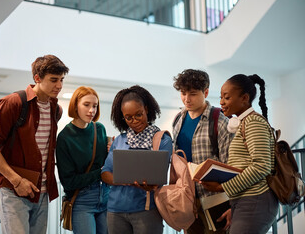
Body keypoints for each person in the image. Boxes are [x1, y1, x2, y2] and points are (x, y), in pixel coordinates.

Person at [0, 55, 69, 234]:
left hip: (42, 191)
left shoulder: (55, 109)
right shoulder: (13, 103)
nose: (59, 86)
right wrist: (16, 180)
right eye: (53, 80)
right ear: (37, 78)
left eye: (61, 80)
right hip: (13, 188)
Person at [202, 74, 278, 234]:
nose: (221, 102)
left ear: (244, 98)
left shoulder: (253, 122)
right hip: (246, 201)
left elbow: (261, 166)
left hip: (256, 200)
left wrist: (223, 187)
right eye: (221, 97)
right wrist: (235, 205)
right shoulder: (245, 123)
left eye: (227, 97)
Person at [101, 85, 173, 234]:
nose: (134, 121)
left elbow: (159, 177)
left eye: (138, 114)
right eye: (128, 117)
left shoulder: (162, 140)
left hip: (146, 209)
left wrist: (150, 185)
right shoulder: (119, 140)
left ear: (146, 109)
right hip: (115, 210)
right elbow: (105, 173)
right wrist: (124, 180)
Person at [172, 69, 234, 233]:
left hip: (216, 201)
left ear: (205, 92)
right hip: (188, 201)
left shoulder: (220, 121)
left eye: (192, 94)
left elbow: (233, 167)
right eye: (183, 93)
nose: (187, 99)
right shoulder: (178, 120)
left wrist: (234, 206)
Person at [56, 86, 109, 234]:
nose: (91, 110)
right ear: (75, 105)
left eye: (95, 106)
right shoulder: (65, 137)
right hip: (82, 200)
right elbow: (68, 181)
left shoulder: (100, 129)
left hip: (106, 196)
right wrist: (100, 173)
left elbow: (106, 163)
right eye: (86, 105)